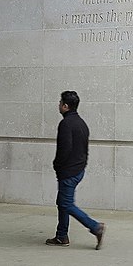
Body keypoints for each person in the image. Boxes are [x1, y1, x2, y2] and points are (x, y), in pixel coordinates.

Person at [46, 91, 105, 250]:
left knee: (66, 204)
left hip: (69, 172)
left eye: (60, 102)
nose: (58, 105)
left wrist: (57, 165)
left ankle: (95, 227)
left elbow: (64, 150)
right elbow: (85, 149)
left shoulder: (66, 124)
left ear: (65, 106)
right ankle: (61, 236)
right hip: (78, 170)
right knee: (62, 202)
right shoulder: (82, 123)